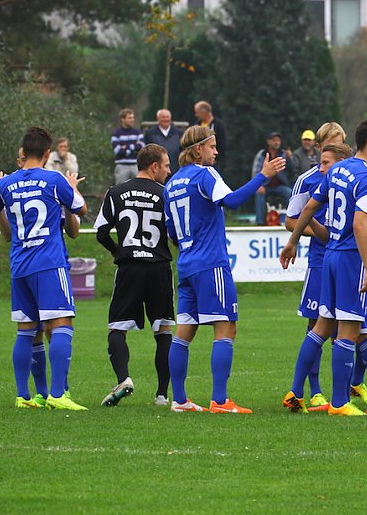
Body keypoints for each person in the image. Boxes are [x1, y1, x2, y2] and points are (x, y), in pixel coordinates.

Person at [164, 125, 285, 413]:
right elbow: (231, 201)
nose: (216, 151)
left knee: (184, 332)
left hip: (187, 264)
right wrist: (263, 176)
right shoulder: (204, 174)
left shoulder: (171, 184)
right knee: (226, 327)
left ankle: (179, 400)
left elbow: (171, 231)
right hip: (211, 263)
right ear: (198, 150)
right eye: (212, 146)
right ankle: (220, 400)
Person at [280, 118, 367, 416]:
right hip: (349, 259)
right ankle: (340, 402)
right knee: (350, 331)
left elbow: (309, 208)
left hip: (328, 255)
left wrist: (292, 241)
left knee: (321, 327)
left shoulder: (337, 171)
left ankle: (303, 391)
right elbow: (362, 224)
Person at [0, 127, 88, 411]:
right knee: (62, 323)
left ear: (23, 152)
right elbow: (82, 210)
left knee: (26, 330)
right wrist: (73, 189)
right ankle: (57, 394)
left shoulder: (6, 185)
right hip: (50, 263)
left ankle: (24, 396)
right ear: (46, 153)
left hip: (20, 265)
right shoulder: (54, 178)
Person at [95, 144, 175, 408]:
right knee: (163, 331)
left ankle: (123, 379)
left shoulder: (116, 192)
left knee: (117, 328)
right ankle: (162, 395)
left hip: (129, 268)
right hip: (158, 268)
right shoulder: (166, 194)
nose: (168, 170)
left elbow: (101, 233)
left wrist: (119, 252)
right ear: (154, 166)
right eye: (165, 165)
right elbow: (175, 234)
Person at [285, 123, 350, 411]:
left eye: (341, 143)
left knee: (347, 328)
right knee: (316, 324)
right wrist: (316, 232)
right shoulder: (308, 180)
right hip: (320, 261)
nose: (336, 147)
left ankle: (346, 389)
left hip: (346, 260)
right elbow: (291, 220)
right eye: (331, 143)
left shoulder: (352, 177)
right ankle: (315, 391)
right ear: (322, 145)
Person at [252, 132, 292, 225]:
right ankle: (260, 223)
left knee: (290, 193)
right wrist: (258, 185)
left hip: (280, 185)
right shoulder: (261, 154)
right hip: (265, 185)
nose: (276, 142)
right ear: (268, 142)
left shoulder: (283, 154)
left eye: (278, 140)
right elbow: (255, 171)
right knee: (259, 193)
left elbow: (291, 169)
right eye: (274, 140)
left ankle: (290, 220)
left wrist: (290, 158)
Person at [144, 109, 183, 177]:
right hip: (157, 172)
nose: (165, 119)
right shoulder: (150, 133)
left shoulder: (179, 133)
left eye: (167, 117)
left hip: (175, 171)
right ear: (158, 119)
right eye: (163, 117)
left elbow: (182, 150)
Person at [111, 108, 145, 185]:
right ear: (122, 119)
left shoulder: (137, 132)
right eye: (129, 118)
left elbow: (142, 147)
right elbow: (117, 151)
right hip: (122, 166)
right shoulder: (116, 133)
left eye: (133, 118)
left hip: (136, 165)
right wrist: (134, 148)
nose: (132, 120)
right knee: (120, 188)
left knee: (138, 187)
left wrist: (126, 147)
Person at [194, 100, 228, 170]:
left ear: (204, 111)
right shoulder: (196, 125)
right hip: (198, 164)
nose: (196, 115)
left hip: (214, 164)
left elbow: (222, 145)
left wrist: (216, 159)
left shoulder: (219, 125)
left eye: (197, 112)